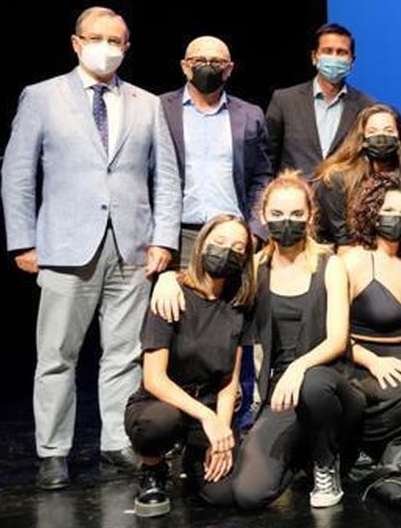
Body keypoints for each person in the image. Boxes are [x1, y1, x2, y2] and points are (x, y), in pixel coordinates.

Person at [1, 6, 181, 490]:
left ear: (127, 47)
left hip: (132, 246)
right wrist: (22, 240)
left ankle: (117, 441)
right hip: (64, 247)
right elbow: (18, 173)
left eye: (116, 41)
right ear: (76, 43)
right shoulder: (42, 96)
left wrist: (163, 239)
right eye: (97, 38)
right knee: (57, 354)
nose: (107, 48)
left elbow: (165, 177)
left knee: (123, 353)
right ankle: (53, 452)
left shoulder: (146, 103)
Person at [149, 173, 364, 510]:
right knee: (246, 494)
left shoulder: (330, 264)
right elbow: (207, 288)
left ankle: (325, 463)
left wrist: (298, 368)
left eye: (296, 214)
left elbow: (338, 340)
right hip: (279, 396)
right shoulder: (254, 268)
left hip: (329, 384)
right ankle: (300, 454)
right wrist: (167, 278)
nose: (286, 221)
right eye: (277, 214)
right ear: (263, 216)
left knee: (313, 384)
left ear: (310, 216)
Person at [124, 214, 254, 515]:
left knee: (222, 495)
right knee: (159, 423)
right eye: (219, 242)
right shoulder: (171, 294)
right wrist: (207, 418)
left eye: (238, 247)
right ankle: (153, 468)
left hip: (208, 406)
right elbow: (154, 378)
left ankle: (191, 460)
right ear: (202, 244)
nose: (227, 251)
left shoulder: (238, 304)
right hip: (162, 402)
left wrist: (221, 432)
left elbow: (229, 380)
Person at [338, 173, 401, 454]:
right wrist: (374, 363)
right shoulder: (354, 260)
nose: (397, 218)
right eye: (389, 210)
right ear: (373, 212)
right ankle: (359, 452)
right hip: (358, 363)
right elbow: (330, 330)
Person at [160, 35, 273, 261]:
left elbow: (262, 177)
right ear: (185, 67)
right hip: (177, 237)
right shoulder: (159, 108)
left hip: (233, 236)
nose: (207, 67)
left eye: (216, 62)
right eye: (199, 61)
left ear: (229, 69)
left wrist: (255, 232)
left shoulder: (250, 115)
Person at [264, 23, 374, 177]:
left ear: (352, 61)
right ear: (314, 57)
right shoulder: (285, 101)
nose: (334, 57)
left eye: (341, 52)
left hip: (343, 191)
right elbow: (266, 160)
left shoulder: (367, 106)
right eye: (327, 51)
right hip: (295, 191)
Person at [312, 104, 401, 249]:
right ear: (362, 140)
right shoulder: (336, 180)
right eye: (372, 132)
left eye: (388, 131)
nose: (381, 137)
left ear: (400, 138)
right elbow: (343, 241)